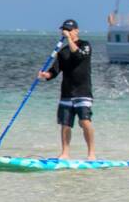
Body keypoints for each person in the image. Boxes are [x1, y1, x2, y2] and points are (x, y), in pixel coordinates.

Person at [39, 19, 95, 159]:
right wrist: (46, 75)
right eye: (64, 30)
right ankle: (65, 153)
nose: (66, 32)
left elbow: (78, 56)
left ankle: (91, 154)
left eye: (69, 30)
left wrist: (69, 39)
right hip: (67, 93)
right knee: (65, 124)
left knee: (84, 121)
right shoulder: (62, 52)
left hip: (83, 92)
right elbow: (55, 70)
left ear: (76, 30)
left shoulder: (85, 45)